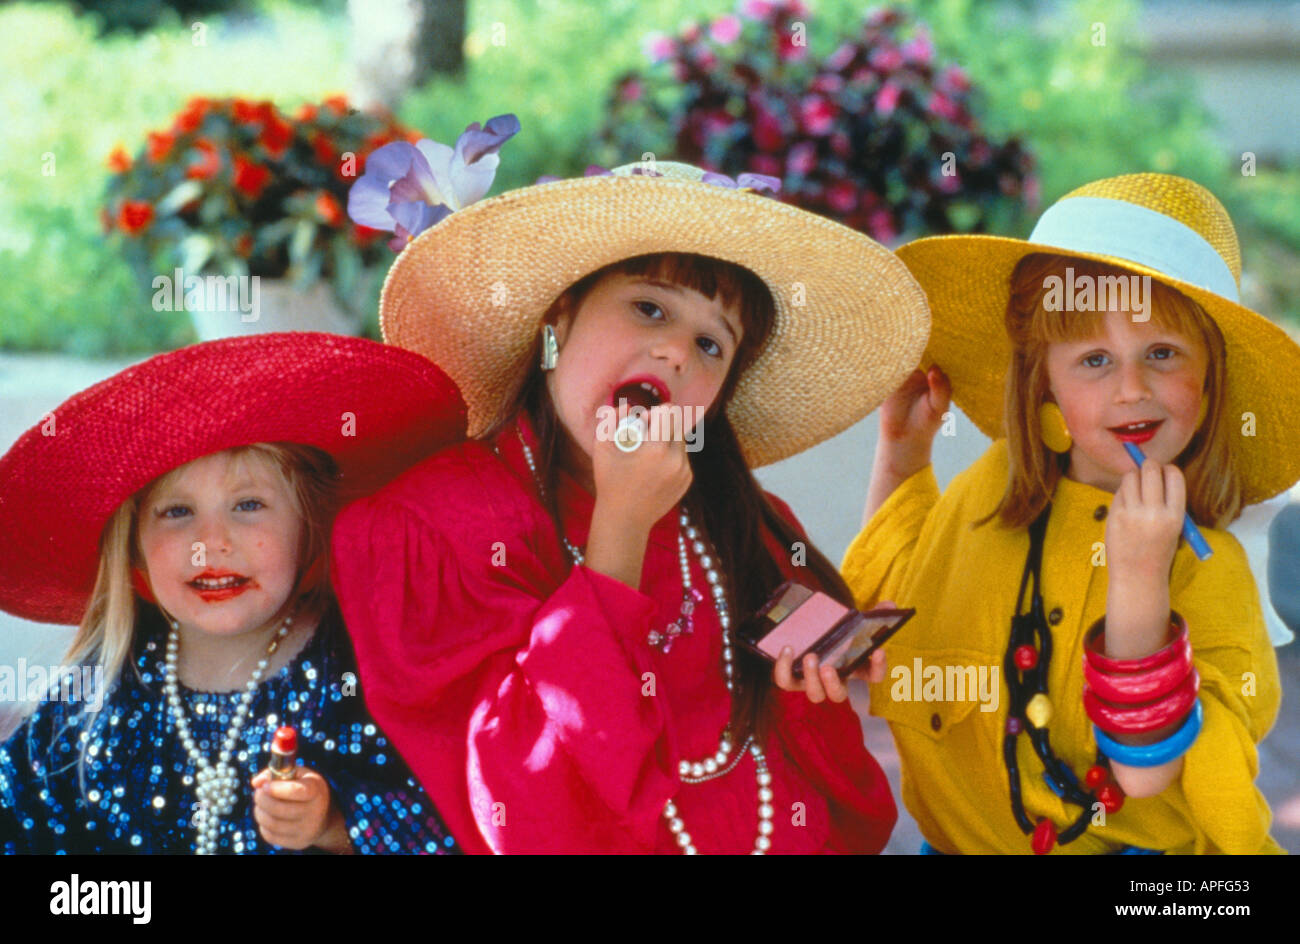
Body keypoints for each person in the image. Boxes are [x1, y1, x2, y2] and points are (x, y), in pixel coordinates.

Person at [332, 161, 932, 853]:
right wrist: (623, 526)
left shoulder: (737, 520)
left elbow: (822, 780)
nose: (677, 350)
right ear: (560, 315)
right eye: (650, 307)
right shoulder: (431, 528)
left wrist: (814, 673)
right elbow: (529, 810)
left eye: (712, 344)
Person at [843, 173, 1299, 853]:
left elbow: (1145, 777)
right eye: (1093, 359)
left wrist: (1140, 578)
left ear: (1211, 381)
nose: (1132, 389)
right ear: (1043, 379)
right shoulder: (988, 494)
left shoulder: (1211, 572)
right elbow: (892, 604)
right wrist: (902, 456)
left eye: (1163, 353)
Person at [0, 334, 466, 854]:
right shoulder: (98, 689)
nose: (211, 543)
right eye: (176, 512)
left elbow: (446, 830)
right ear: (133, 550)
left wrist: (335, 823)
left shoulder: (364, 669)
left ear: (309, 525)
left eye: (248, 505)